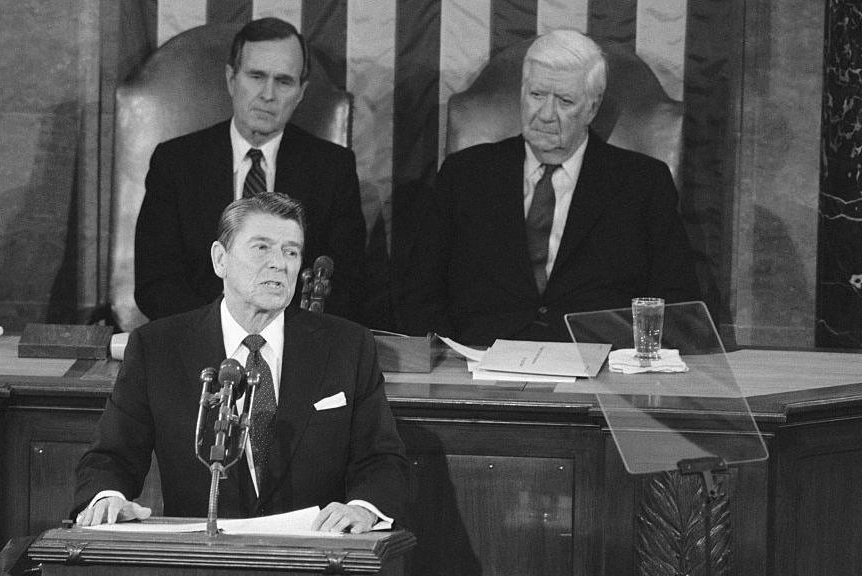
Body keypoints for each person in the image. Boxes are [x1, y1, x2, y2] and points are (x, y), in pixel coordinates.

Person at [74, 193, 408, 533]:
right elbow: (111, 457)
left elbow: (381, 458)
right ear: (221, 259)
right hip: (202, 560)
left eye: (291, 251)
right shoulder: (158, 347)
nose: (280, 263)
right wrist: (106, 497)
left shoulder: (347, 346)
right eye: (261, 248)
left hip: (313, 557)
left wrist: (364, 508)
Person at [399, 29, 700, 345]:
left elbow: (677, 303)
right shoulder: (465, 175)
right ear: (521, 93)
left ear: (592, 108)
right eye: (537, 95)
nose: (545, 115)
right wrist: (449, 360)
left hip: (600, 372)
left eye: (565, 101)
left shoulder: (643, 184)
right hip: (479, 366)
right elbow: (421, 293)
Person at [134, 17, 366, 323]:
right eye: (256, 76)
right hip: (197, 340)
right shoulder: (175, 163)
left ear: (301, 92)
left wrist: (274, 336)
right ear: (232, 79)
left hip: (294, 346)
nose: (268, 94)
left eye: (284, 81)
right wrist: (221, 332)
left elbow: (347, 285)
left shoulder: (333, 169)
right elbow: (156, 282)